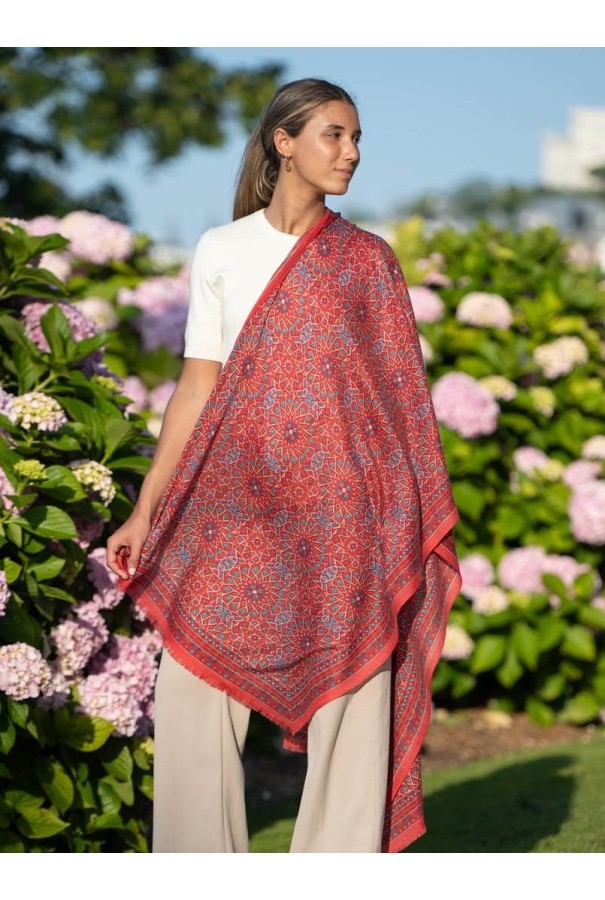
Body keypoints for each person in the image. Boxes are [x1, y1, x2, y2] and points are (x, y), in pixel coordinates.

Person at [106, 77, 462, 854]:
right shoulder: (221, 249)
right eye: (335, 134)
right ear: (284, 142)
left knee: (353, 695)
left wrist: (399, 513)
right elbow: (196, 385)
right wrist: (146, 506)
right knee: (193, 685)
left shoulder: (367, 261)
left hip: (345, 511)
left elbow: (399, 397)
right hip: (234, 502)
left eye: (357, 138)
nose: (351, 152)